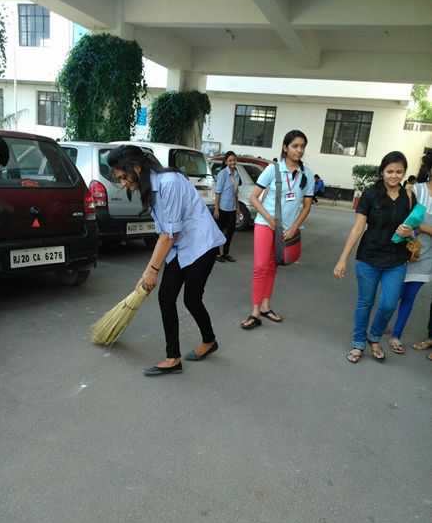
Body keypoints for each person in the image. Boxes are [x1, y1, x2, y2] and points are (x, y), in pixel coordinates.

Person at [107, 145, 225, 376]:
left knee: (192, 300)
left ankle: (209, 341)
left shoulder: (169, 183)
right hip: (179, 248)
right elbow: (166, 234)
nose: (122, 183)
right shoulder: (151, 187)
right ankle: (173, 358)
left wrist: (152, 271)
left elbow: (170, 235)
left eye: (122, 177)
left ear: (136, 168)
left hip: (201, 246)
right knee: (166, 297)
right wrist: (147, 273)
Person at [334, 151, 416, 363]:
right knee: (365, 303)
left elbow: (413, 227)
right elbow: (357, 228)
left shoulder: (408, 197)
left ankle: (375, 337)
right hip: (368, 258)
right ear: (382, 172)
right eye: (390, 171)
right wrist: (343, 259)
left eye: (399, 172)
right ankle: (358, 343)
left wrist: (411, 232)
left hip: (396, 260)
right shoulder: (370, 194)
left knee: (389, 304)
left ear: (404, 173)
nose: (394, 175)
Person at [240, 130, 314, 329]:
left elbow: (307, 206)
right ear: (285, 148)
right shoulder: (273, 170)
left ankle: (266, 306)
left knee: (273, 266)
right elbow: (253, 197)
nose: (299, 150)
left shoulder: (307, 174)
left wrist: (294, 228)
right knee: (260, 266)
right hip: (266, 224)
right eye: (295, 146)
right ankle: (255, 311)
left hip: (287, 229)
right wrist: (269, 219)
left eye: (302, 146)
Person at [388, 152, 432, 353]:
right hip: (403, 253)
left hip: (426, 257)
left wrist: (422, 228)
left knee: (409, 297)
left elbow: (418, 226)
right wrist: (412, 231)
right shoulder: (415, 190)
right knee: (392, 296)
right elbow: (400, 219)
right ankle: (380, 326)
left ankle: (396, 336)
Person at [214, 150, 240, 263]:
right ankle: (216, 253)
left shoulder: (236, 173)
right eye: (230, 160)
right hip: (222, 208)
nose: (232, 162)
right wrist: (216, 209)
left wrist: (238, 207)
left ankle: (226, 253)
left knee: (230, 231)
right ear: (226, 162)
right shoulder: (223, 174)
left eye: (234, 160)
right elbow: (218, 192)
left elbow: (235, 192)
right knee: (219, 231)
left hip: (232, 208)